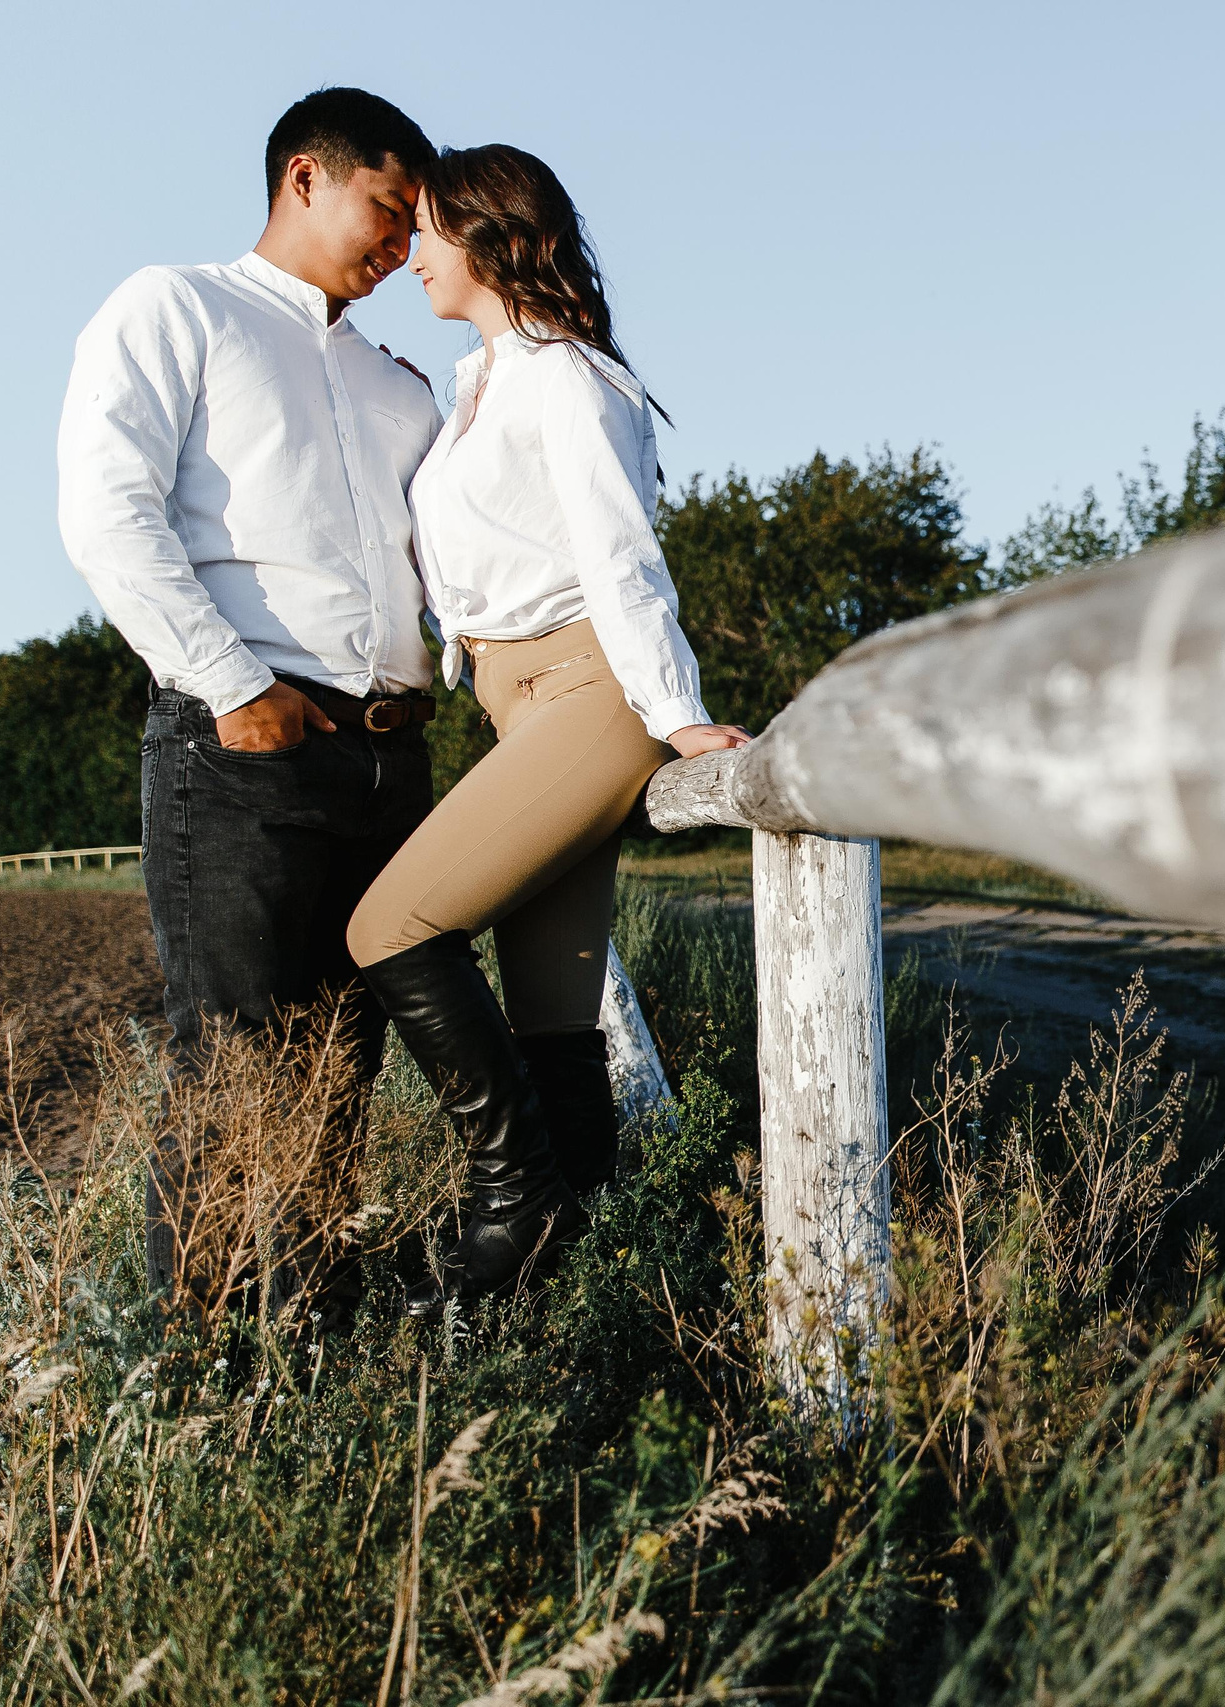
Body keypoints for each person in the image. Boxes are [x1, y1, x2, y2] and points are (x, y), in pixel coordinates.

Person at [58, 87, 444, 1318]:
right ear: (304, 179)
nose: (400, 247)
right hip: (244, 743)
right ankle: (204, 1381)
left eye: (413, 228)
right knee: (233, 1071)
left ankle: (311, 1357)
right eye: (387, 212)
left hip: (392, 763)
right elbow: (109, 514)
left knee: (339, 1075)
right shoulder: (176, 306)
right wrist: (234, 687)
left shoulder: (403, 387)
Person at [346, 143, 747, 1318]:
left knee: (391, 929)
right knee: (552, 1019)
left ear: (485, 235)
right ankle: (578, 1275)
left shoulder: (569, 378)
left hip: (591, 694)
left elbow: (619, 557)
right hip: (516, 705)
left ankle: (509, 1202)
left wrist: (676, 719)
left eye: (424, 230)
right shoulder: (476, 383)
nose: (410, 254)